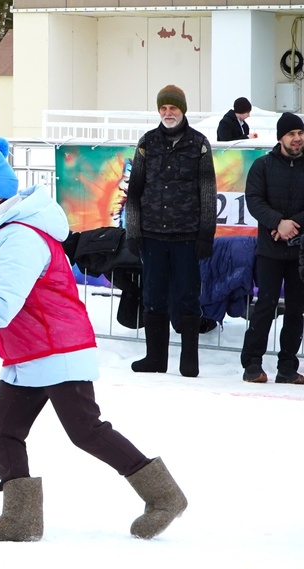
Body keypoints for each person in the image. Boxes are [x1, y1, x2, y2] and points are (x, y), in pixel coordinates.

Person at [0, 137, 188, 542]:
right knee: (1, 428)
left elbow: (4, 305)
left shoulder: (20, 237)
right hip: (33, 350)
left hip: (56, 348)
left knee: (86, 431)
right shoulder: (10, 229)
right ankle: (21, 519)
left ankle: (163, 497)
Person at [124, 84, 217, 378]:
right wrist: (134, 233)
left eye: (172, 108)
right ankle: (155, 358)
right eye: (163, 108)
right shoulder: (146, 143)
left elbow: (208, 193)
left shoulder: (199, 144)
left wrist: (206, 234)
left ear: (182, 110)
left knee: (188, 297)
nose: (167, 113)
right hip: (152, 236)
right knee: (153, 296)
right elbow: (134, 193)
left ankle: (189, 361)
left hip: (187, 237)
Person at [241, 112, 304, 383]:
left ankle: (288, 366)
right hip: (270, 250)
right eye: (291, 134)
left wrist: (293, 225)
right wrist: (278, 223)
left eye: (300, 134)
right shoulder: (263, 166)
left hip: (300, 251)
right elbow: (254, 200)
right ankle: (252, 364)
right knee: (265, 305)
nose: (297, 139)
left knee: (296, 309)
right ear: (281, 138)